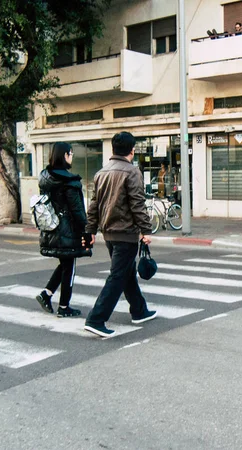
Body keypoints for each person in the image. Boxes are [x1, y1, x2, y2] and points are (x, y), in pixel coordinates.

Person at [83, 131, 157, 337]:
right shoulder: (131, 172)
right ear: (132, 150)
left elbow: (94, 205)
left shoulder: (101, 173)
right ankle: (96, 319)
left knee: (126, 272)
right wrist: (145, 230)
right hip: (125, 233)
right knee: (118, 275)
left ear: (114, 149)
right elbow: (137, 204)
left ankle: (139, 310)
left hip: (109, 233)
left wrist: (90, 230)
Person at [36, 142, 89, 317]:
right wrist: (87, 231)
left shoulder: (46, 178)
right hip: (68, 231)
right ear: (65, 155)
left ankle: (47, 294)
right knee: (69, 267)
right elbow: (77, 210)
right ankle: (64, 307)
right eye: (71, 153)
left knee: (65, 263)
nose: (72, 157)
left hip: (52, 228)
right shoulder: (69, 182)